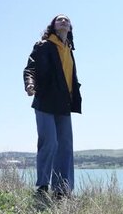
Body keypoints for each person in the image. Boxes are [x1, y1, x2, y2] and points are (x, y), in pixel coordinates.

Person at [23, 14, 82, 200]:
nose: (63, 21)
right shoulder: (44, 45)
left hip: (64, 103)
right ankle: (42, 186)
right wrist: (29, 84)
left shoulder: (69, 50)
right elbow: (30, 68)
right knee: (50, 142)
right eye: (59, 20)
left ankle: (62, 189)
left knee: (65, 146)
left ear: (70, 27)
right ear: (53, 26)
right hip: (45, 100)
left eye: (66, 20)